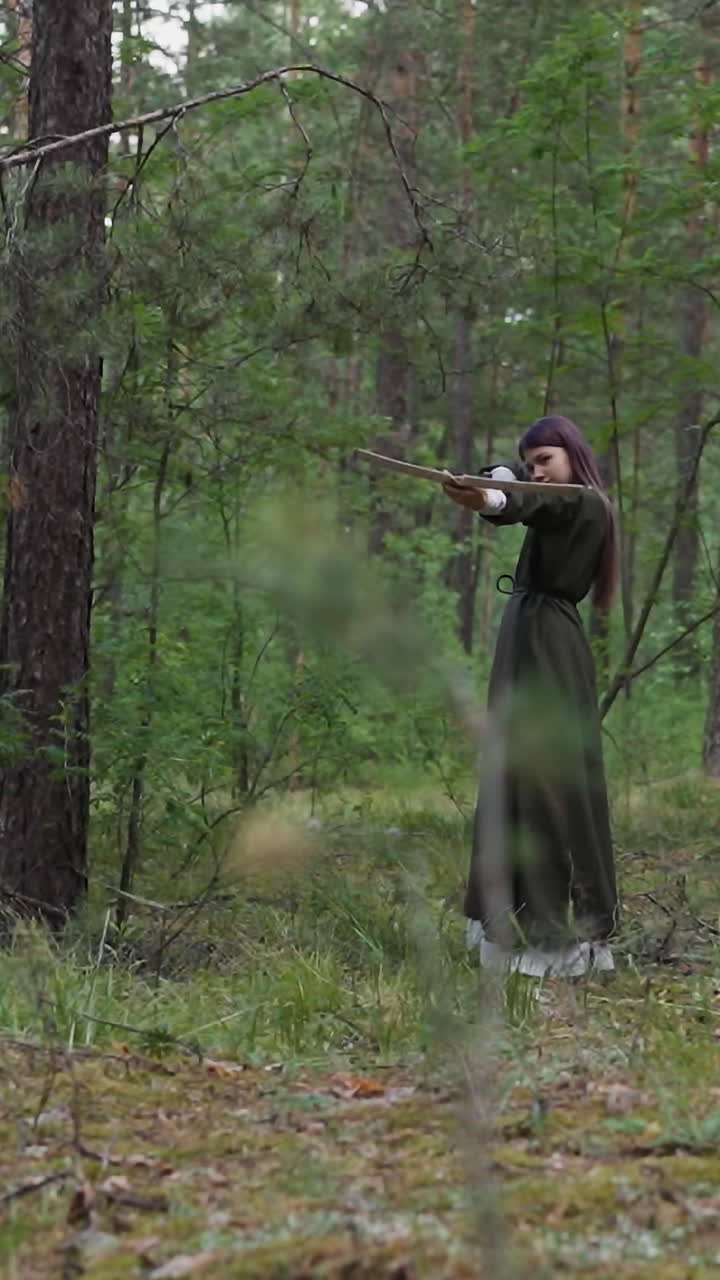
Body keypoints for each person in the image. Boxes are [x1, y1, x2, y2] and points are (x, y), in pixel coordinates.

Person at [444, 415, 619, 978]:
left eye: (545, 459)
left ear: (571, 453)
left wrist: (496, 491)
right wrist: (488, 487)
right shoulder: (559, 498)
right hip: (529, 638)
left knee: (549, 779)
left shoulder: (583, 501)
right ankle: (510, 920)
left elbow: (528, 503)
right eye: (531, 464)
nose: (537, 471)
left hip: (549, 647)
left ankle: (559, 933)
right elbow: (519, 501)